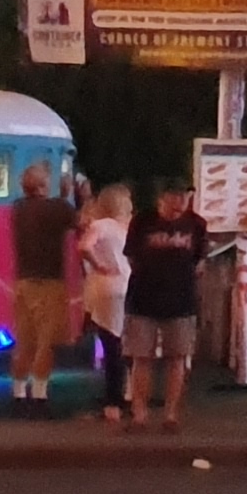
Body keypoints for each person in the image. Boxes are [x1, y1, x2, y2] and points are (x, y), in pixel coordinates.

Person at [120, 180, 211, 433]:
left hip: (181, 299)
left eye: (185, 196)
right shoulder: (142, 221)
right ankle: (139, 414)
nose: (180, 202)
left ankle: (171, 415)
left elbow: (200, 261)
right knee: (141, 356)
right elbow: (131, 256)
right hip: (143, 298)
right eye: (176, 196)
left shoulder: (197, 224)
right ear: (162, 197)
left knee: (178, 357)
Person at [3, 164, 77, 414]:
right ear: (43, 185)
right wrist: (71, 195)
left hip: (23, 281)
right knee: (46, 340)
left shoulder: (18, 208)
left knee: (25, 339)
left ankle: (17, 392)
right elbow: (76, 222)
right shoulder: (58, 208)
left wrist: (62, 197)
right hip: (49, 282)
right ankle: (40, 395)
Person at [77, 184, 134, 423]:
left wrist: (99, 265)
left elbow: (83, 246)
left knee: (111, 346)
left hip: (106, 287)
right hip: (128, 285)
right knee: (127, 344)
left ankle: (113, 402)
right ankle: (129, 395)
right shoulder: (127, 228)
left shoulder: (101, 226)